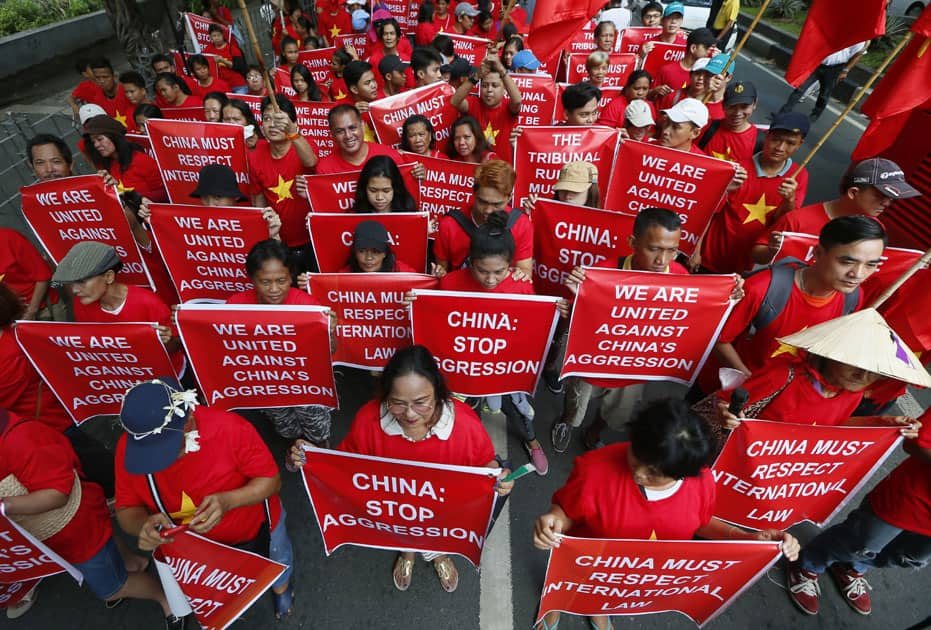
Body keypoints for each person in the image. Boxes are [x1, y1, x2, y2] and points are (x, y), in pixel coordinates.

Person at [535, 398, 799, 630]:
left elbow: (702, 524)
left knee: (608, 594)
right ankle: (555, 606)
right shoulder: (594, 470)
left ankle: (600, 608)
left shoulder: (703, 483)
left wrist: (749, 539)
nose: (638, 474)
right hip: (583, 561)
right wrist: (553, 521)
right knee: (567, 588)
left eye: (655, 474)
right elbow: (566, 511)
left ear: (684, 474)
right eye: (635, 457)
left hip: (634, 573)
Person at [288, 345, 514, 592]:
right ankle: (408, 553)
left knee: (438, 537)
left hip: (442, 518)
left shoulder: (466, 426)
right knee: (403, 533)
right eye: (397, 403)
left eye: (421, 403)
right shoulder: (368, 420)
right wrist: (307, 459)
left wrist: (501, 477)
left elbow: (485, 465)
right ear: (385, 395)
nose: (409, 414)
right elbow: (344, 467)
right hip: (396, 515)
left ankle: (439, 555)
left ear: (437, 391)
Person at [114, 377, 297, 621]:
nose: (156, 463)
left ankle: (281, 587)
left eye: (165, 451)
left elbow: (272, 481)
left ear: (188, 424)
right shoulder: (132, 449)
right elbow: (126, 509)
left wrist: (228, 501)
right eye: (149, 455)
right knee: (227, 583)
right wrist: (142, 526)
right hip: (195, 552)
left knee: (277, 556)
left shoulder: (230, 429)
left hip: (256, 528)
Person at [0, 408, 183, 627]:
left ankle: (167, 598)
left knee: (112, 589)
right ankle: (134, 563)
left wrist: (6, 505)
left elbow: (57, 494)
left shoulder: (21, 439)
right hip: (69, 531)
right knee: (107, 546)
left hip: (75, 530)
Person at [550, 208, 691, 452]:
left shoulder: (682, 278)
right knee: (576, 401)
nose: (662, 260)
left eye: (672, 251)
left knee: (619, 410)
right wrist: (575, 299)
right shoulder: (602, 273)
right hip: (593, 356)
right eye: (654, 249)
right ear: (633, 243)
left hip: (634, 364)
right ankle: (566, 422)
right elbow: (575, 321)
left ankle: (593, 433)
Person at [700, 216, 886, 396]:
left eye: (870, 265)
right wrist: (751, 382)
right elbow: (718, 340)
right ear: (818, 253)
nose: (858, 274)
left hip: (781, 397)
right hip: (725, 392)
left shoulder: (852, 297)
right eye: (847, 262)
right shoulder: (762, 288)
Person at [787, 408, 931, 617]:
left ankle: (851, 568)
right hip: (912, 499)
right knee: (861, 541)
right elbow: (917, 440)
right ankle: (809, 563)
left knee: (910, 556)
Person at [437, 211, 549, 474]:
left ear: (511, 265)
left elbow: (529, 327)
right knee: (459, 415)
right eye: (482, 271)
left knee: (516, 410)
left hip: (503, 365)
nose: (490, 280)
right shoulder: (450, 283)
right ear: (470, 261)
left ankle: (532, 441)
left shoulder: (522, 288)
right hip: (465, 365)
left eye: (498, 272)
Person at [226, 240, 335, 447]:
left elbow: (331, 351)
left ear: (291, 276)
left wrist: (328, 333)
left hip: (306, 383)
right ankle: (296, 446)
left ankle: (320, 451)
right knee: (286, 426)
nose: (274, 289)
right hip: (268, 384)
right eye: (265, 282)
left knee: (317, 427)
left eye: (281, 280)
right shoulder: (235, 306)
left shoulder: (308, 305)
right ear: (252, 279)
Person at [751, 157, 921, 265]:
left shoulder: (876, 230)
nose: (887, 203)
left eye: (891, 198)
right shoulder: (797, 220)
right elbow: (757, 254)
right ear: (853, 192)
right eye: (881, 195)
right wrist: (773, 249)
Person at [700, 111, 810, 274]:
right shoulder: (739, 168)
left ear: (800, 144)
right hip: (709, 256)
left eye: (790, 143)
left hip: (746, 265)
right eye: (776, 140)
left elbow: (783, 225)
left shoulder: (799, 176)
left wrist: (789, 200)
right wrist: (696, 252)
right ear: (767, 136)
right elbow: (707, 210)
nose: (780, 148)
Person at [247, 94, 318, 261]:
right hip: (279, 244)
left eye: (278, 119)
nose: (272, 124)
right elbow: (259, 202)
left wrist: (293, 133)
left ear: (293, 123)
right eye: (267, 118)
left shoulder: (303, 144)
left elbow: (311, 161)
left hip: (311, 240)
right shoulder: (255, 156)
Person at [434, 159, 532, 275]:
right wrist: (439, 274)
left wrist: (520, 274)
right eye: (482, 202)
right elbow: (442, 270)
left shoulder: (521, 224)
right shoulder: (449, 224)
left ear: (509, 198)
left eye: (497, 204)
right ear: (474, 193)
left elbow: (525, 272)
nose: (488, 210)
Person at [451, 51, 521, 159]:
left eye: (495, 85)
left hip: (501, 169)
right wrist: (476, 76)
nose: (489, 90)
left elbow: (517, 101)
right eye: (484, 85)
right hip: (477, 169)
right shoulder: (473, 103)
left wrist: (501, 70)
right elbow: (455, 101)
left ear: (504, 89)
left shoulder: (508, 107)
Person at [777, 42, 869, 122]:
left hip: (834, 69)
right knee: (801, 88)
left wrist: (846, 70)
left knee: (824, 95)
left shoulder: (859, 39)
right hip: (817, 63)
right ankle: (783, 113)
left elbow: (857, 55)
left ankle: (814, 116)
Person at [83, 114, 167, 201]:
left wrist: (135, 198)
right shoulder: (107, 167)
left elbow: (166, 193)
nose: (96, 145)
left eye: (100, 139)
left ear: (114, 137)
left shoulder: (141, 160)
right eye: (93, 142)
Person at [315, 104, 402, 174]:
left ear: (363, 126)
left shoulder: (390, 156)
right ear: (332, 135)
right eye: (340, 131)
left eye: (352, 128)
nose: (348, 136)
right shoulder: (325, 169)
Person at [700, 80, 761, 163]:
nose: (737, 113)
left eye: (744, 106)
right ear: (723, 106)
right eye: (732, 106)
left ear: (754, 104)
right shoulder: (706, 128)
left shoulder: (760, 141)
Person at [649, 26, 716, 99]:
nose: (709, 52)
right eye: (707, 48)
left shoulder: (709, 75)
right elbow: (648, 96)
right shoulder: (667, 71)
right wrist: (655, 91)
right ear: (693, 48)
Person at [341, 220, 419, 272]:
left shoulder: (403, 272)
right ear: (355, 253)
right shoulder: (342, 277)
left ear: (384, 253)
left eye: (375, 251)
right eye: (362, 251)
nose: (369, 257)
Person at [353, 155, 418, 213]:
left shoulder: (409, 214)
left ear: (395, 189)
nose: (379, 197)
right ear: (364, 188)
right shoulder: (355, 215)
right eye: (373, 191)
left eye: (386, 191)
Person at [202, 23, 247, 91]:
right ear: (210, 37)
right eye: (214, 36)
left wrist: (223, 61)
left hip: (238, 85)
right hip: (221, 87)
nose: (216, 38)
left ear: (223, 35)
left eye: (219, 35)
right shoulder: (207, 50)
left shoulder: (232, 48)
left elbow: (239, 66)